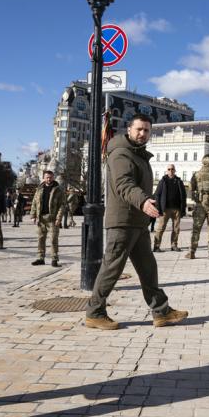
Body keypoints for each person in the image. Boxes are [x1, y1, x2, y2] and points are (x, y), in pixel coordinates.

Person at [84, 114, 188, 329]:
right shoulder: (122, 153)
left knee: (148, 267)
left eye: (147, 130)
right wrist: (143, 201)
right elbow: (124, 184)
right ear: (129, 129)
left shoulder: (136, 153)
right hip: (123, 221)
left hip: (137, 222)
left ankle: (161, 311)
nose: (142, 134)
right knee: (112, 268)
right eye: (139, 129)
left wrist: (143, 207)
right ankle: (95, 312)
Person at [30, 170, 65, 267]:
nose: (49, 179)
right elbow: (34, 202)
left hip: (52, 219)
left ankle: (54, 259)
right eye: (47, 177)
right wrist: (33, 215)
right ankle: (40, 258)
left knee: (53, 239)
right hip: (41, 219)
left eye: (50, 177)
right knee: (40, 239)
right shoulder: (40, 189)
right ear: (44, 178)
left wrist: (59, 218)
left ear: (53, 178)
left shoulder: (58, 190)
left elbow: (62, 205)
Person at [153, 164, 187, 253]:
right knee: (161, 228)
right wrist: (158, 208)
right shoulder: (163, 181)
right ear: (166, 171)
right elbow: (157, 195)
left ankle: (174, 245)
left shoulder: (179, 181)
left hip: (177, 209)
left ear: (175, 170)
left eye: (172, 169)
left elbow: (183, 195)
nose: (171, 171)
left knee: (176, 228)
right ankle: (156, 246)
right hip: (165, 209)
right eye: (169, 169)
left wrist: (183, 208)